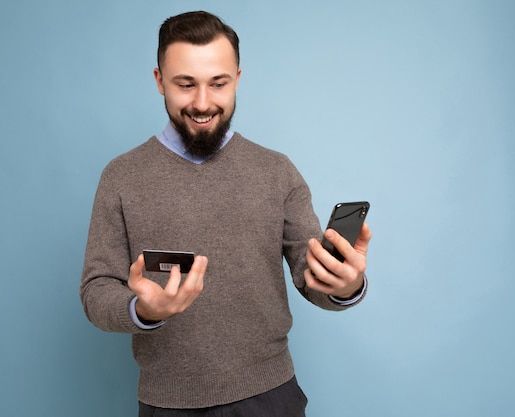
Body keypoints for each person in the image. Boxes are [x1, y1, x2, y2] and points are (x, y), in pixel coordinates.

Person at [80, 10, 372, 417]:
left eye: (218, 84)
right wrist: (142, 311)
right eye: (185, 85)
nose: (203, 103)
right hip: (167, 405)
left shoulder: (277, 170)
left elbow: (312, 278)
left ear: (237, 78)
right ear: (160, 81)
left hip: (271, 399)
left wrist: (344, 284)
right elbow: (96, 290)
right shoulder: (121, 176)